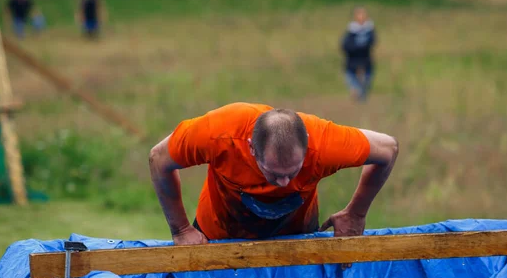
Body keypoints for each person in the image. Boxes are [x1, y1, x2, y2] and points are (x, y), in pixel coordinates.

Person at [149, 102, 398, 246]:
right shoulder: (219, 134)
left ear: (307, 146)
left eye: (293, 171)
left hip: (296, 237)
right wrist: (181, 229)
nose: (284, 182)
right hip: (218, 234)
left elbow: (388, 148)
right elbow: (159, 159)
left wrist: (356, 213)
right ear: (251, 148)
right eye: (273, 173)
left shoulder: (325, 144)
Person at [341, 7, 377, 101]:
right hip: (352, 61)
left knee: (366, 82)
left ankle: (362, 98)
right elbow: (345, 45)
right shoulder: (351, 30)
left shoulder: (369, 29)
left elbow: (372, 42)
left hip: (365, 60)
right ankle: (355, 94)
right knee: (353, 81)